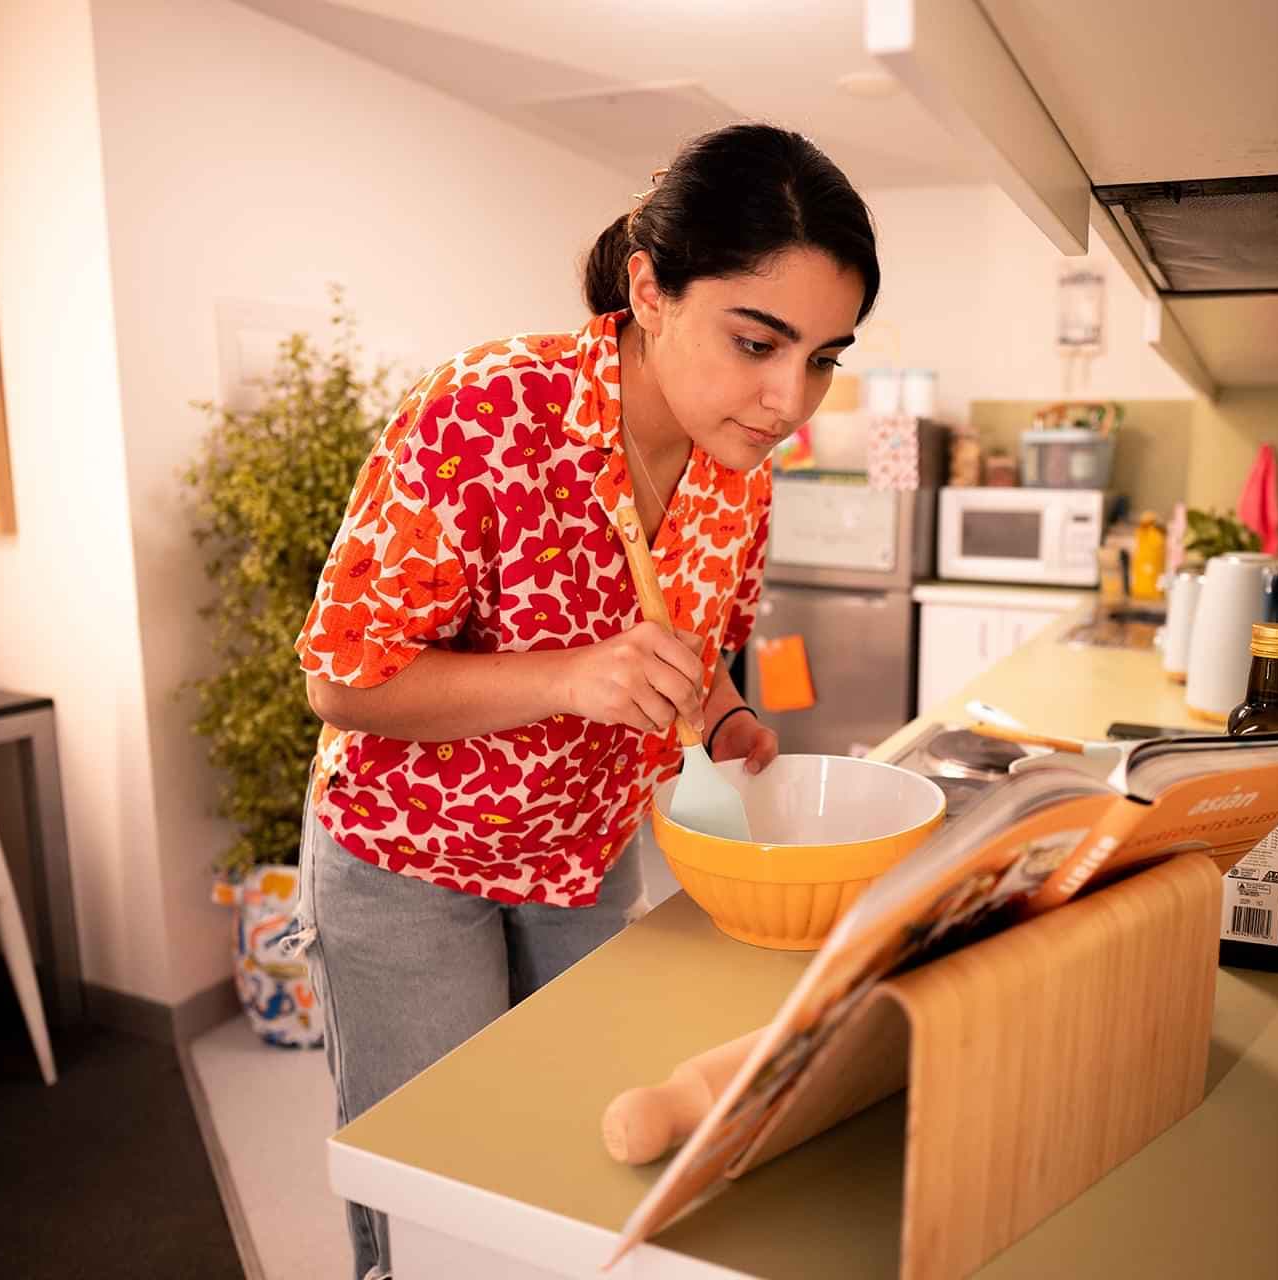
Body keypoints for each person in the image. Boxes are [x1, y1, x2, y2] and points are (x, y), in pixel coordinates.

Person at [282, 123, 880, 1280]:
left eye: (821, 357)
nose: (786, 398)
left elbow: (690, 644)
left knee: (568, 1159)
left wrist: (724, 716)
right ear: (650, 289)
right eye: (758, 341)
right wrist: (567, 673)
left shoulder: (738, 467)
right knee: (437, 1189)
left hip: (586, 853)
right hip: (413, 861)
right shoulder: (482, 413)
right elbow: (340, 678)